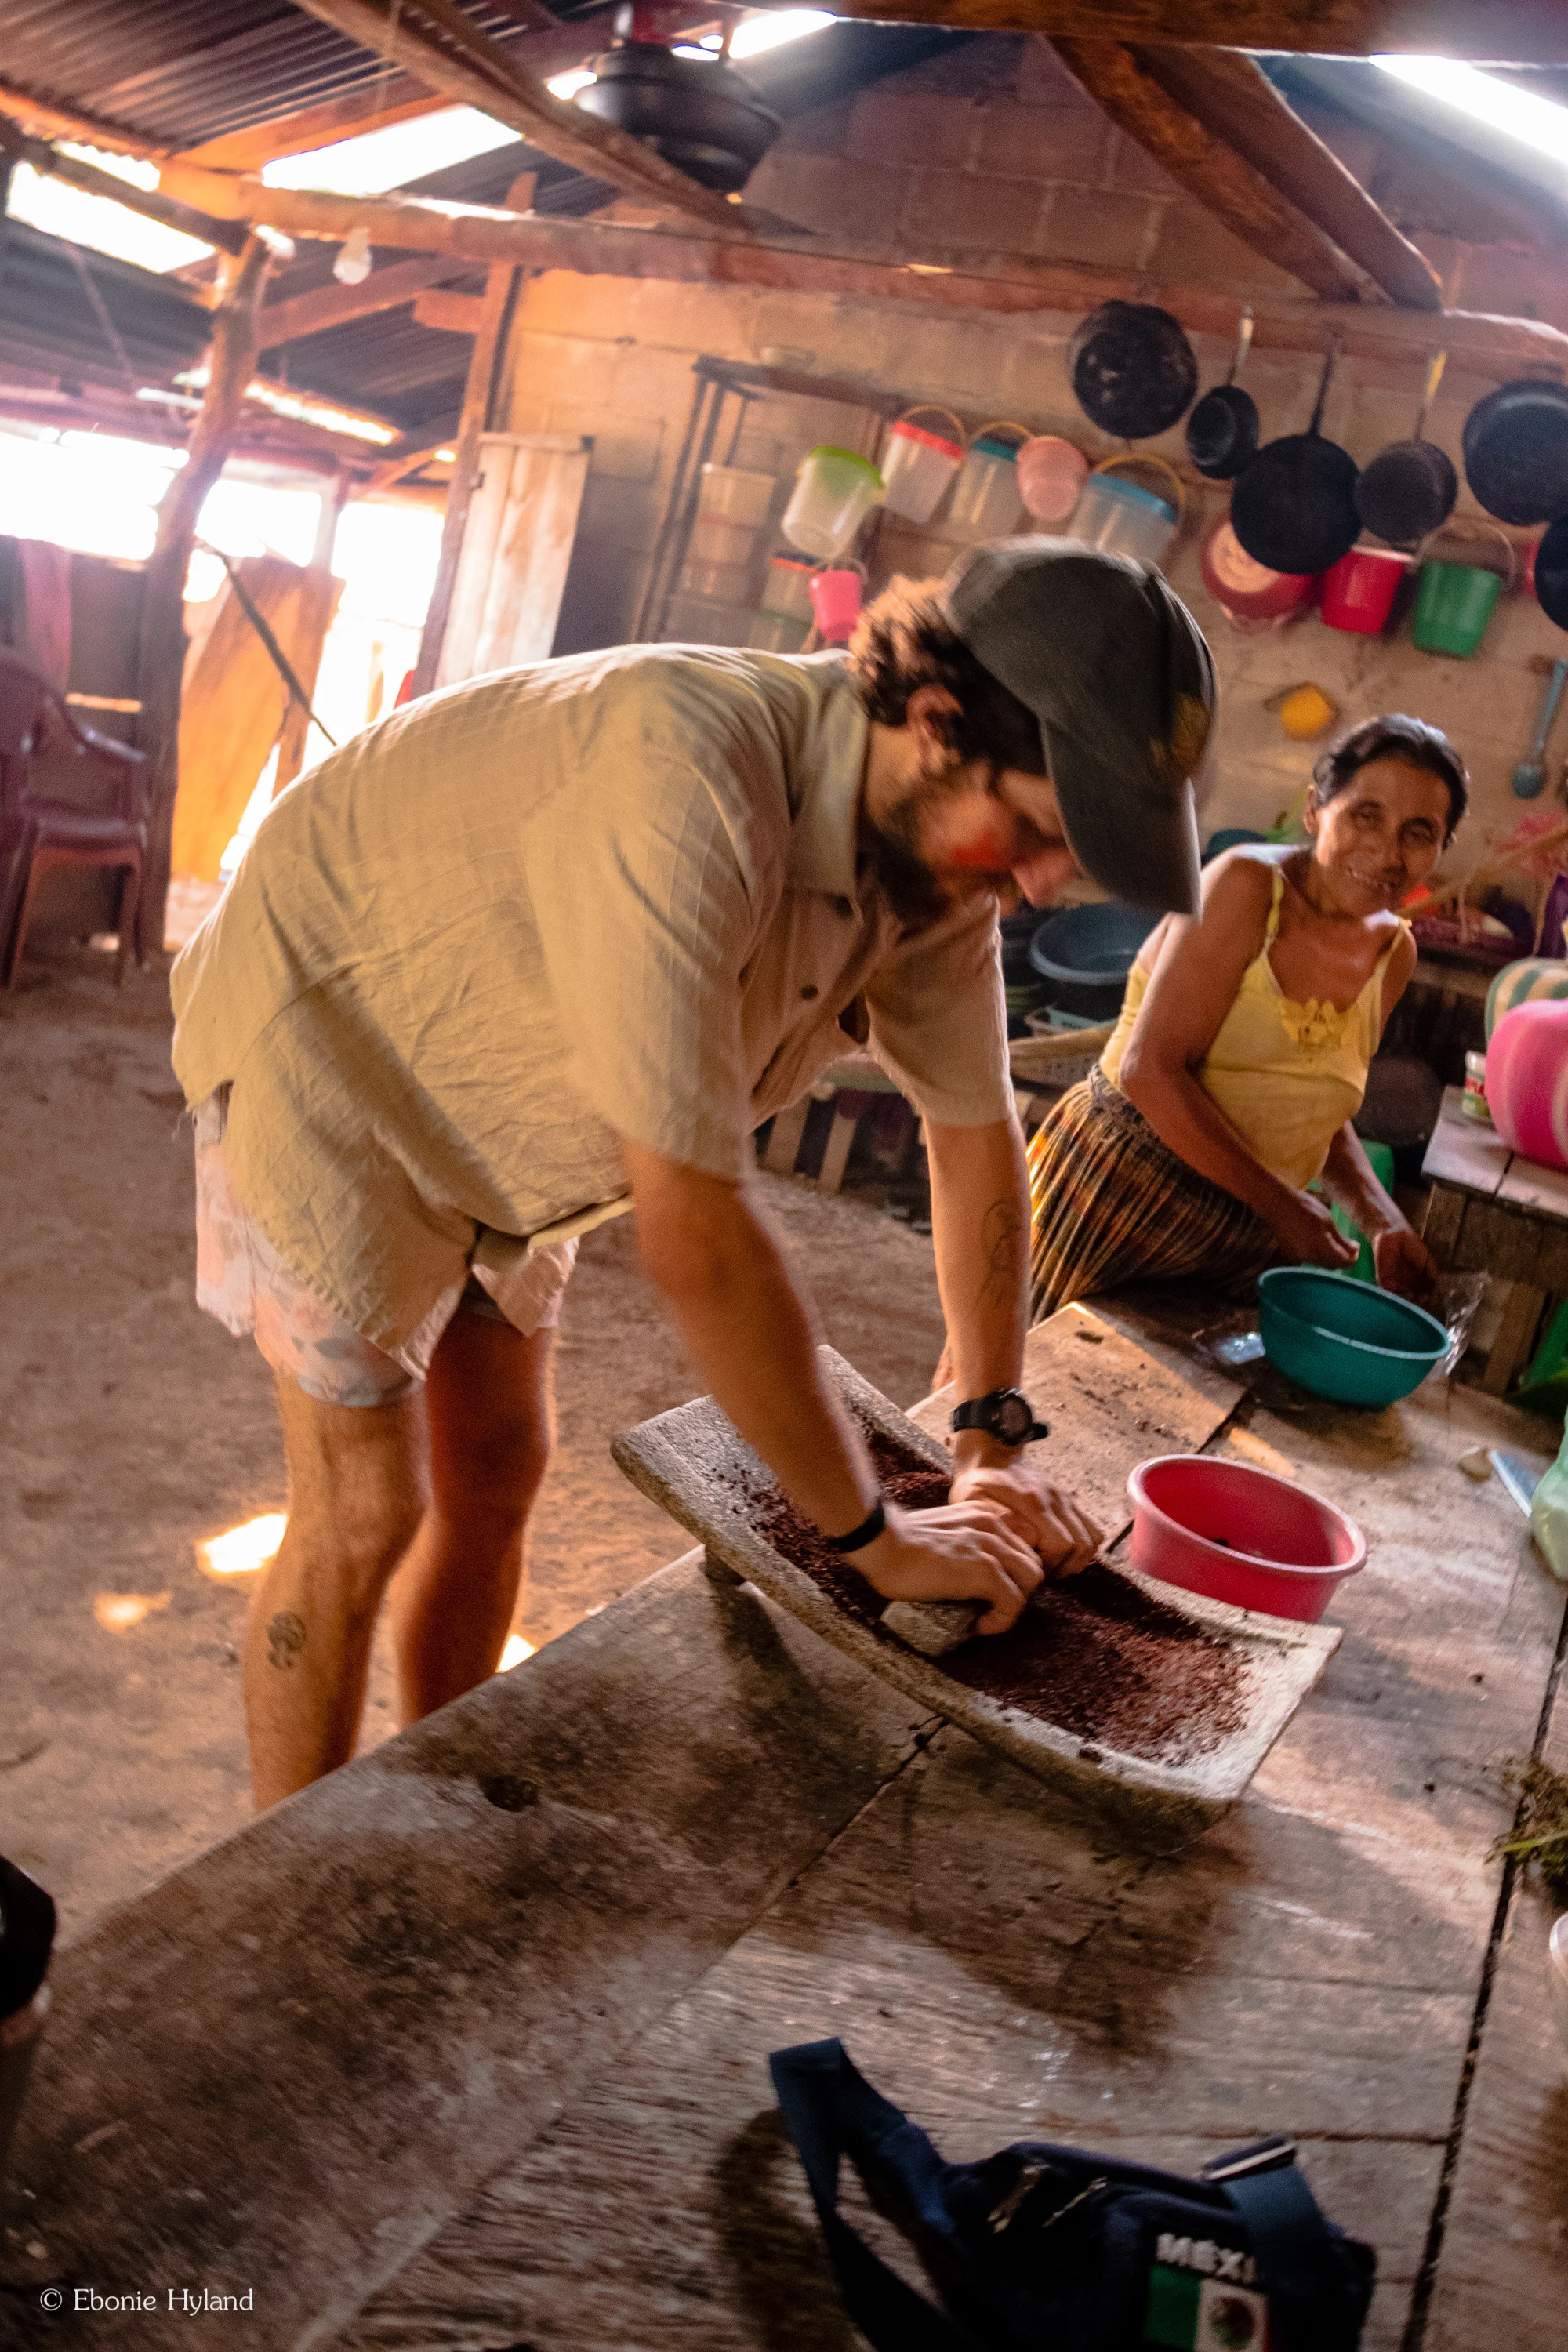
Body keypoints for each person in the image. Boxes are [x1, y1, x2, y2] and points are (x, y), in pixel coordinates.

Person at [170, 540, 1216, 1809]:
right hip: (327, 1051)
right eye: (1040, 832)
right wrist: (872, 1540)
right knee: (364, 1513)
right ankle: (290, 1899)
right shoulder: (690, 773)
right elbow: (697, 1234)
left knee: (499, 1463)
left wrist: (992, 1430)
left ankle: (434, 1801)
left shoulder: (936, 870)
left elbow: (976, 1134)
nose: (1044, 885)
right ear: (938, 724)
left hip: (507, 1100)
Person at [1025, 713, 1465, 1326]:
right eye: (1365, 816)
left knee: (1151, 1416)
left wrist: (1382, 1221)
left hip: (1245, 1237)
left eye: (1419, 833)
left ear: (1442, 849)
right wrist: (1281, 1206)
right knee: (1022, 1395)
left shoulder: (1395, 952)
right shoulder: (1248, 886)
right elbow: (1149, 1070)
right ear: (1316, 809)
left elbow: (1310, 1104)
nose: (1387, 852)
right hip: (1120, 1191)